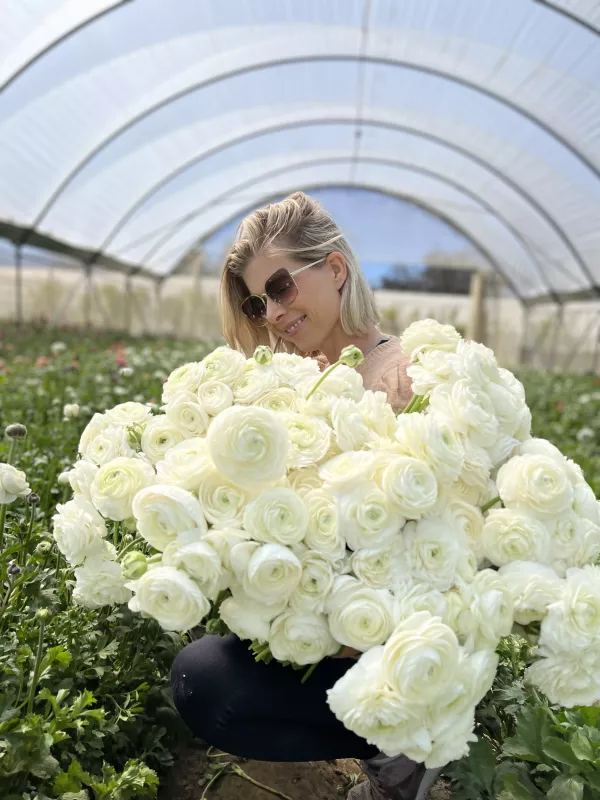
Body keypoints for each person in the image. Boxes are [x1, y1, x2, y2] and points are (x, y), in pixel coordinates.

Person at [171, 192, 439, 800]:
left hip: (392, 633)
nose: (271, 311)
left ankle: (405, 750)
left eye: (283, 286)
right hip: (321, 612)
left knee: (208, 681)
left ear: (336, 269)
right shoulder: (294, 383)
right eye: (257, 300)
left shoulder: (406, 376)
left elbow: (442, 546)